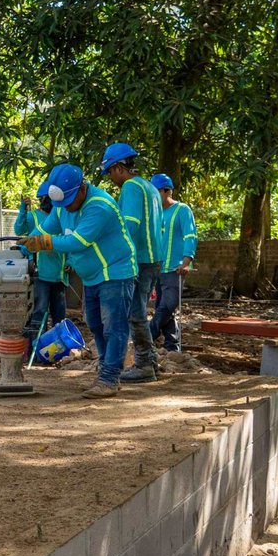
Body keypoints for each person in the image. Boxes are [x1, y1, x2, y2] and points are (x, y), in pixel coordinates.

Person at [22, 163, 136, 398]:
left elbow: (78, 242)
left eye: (69, 201)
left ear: (82, 189)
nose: (66, 208)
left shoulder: (99, 206)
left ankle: (109, 378)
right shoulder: (62, 205)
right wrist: (20, 248)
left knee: (114, 325)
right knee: (94, 323)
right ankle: (106, 372)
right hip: (93, 275)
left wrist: (44, 243)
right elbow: (43, 230)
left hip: (115, 271)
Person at [99, 143, 164, 383]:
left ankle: (145, 363)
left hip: (141, 259)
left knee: (135, 314)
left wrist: (117, 256)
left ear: (117, 168)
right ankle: (151, 360)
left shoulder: (131, 188)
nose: (111, 179)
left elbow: (130, 226)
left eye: (110, 173)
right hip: (154, 257)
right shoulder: (149, 187)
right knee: (139, 311)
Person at [13, 181, 67, 347]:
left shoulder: (61, 216)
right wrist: (23, 209)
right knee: (39, 312)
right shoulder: (34, 216)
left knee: (59, 314)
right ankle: (37, 348)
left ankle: (59, 348)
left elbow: (69, 239)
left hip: (60, 273)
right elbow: (18, 229)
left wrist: (70, 260)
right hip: (40, 273)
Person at [148, 173, 196, 353]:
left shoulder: (182, 210)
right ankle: (171, 346)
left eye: (157, 192)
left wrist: (186, 262)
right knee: (165, 309)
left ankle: (146, 337)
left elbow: (190, 236)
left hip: (175, 269)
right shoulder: (156, 213)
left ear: (167, 191)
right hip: (158, 268)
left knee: (167, 305)